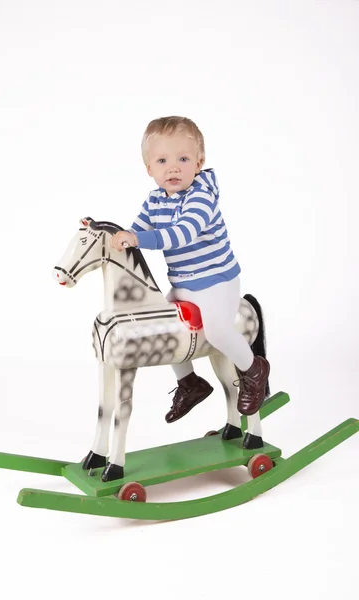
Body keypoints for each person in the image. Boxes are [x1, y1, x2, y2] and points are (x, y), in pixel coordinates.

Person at [111, 116, 270, 423]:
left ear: (199, 163)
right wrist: (113, 238)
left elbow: (181, 233)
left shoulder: (201, 197)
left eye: (183, 159)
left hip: (216, 281)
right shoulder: (155, 199)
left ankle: (253, 370)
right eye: (162, 160)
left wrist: (137, 238)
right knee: (163, 323)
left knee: (218, 329)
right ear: (149, 169)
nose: (173, 167)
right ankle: (190, 384)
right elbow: (136, 230)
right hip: (183, 282)